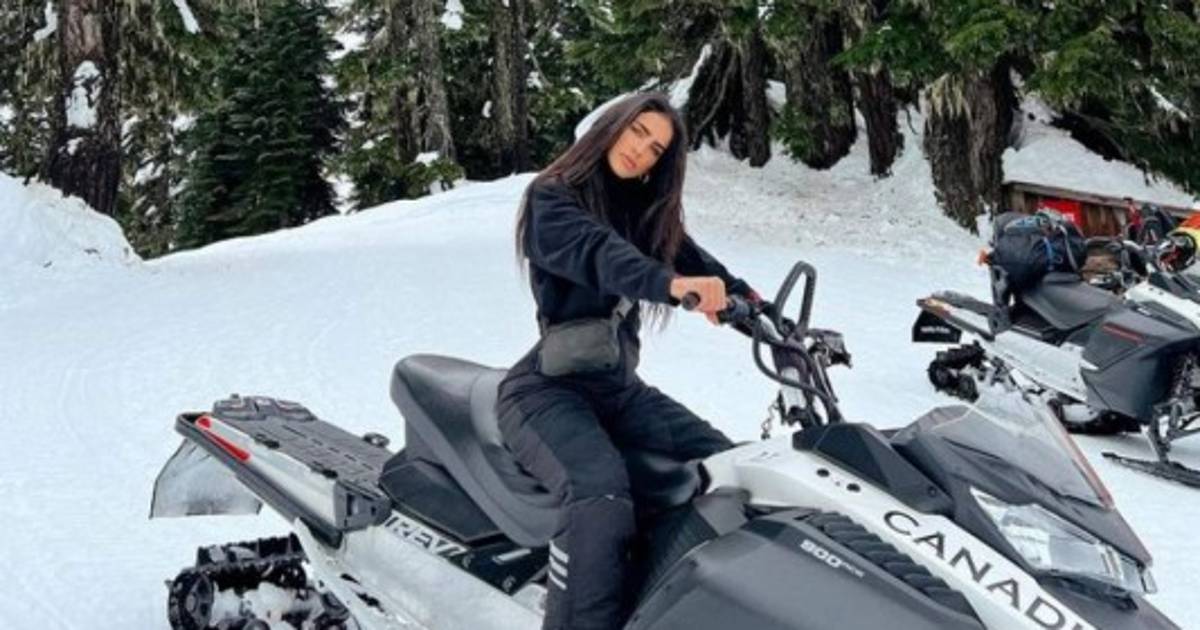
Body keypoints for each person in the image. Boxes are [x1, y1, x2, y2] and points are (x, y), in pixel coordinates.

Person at [494, 93, 761, 630]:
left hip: (619, 391)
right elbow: (602, 255)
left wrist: (759, 309)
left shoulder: (643, 212)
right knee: (599, 494)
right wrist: (671, 286)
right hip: (547, 391)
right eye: (638, 132)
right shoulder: (553, 197)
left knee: (734, 466)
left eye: (656, 148)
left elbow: (698, 262)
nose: (642, 150)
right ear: (613, 126)